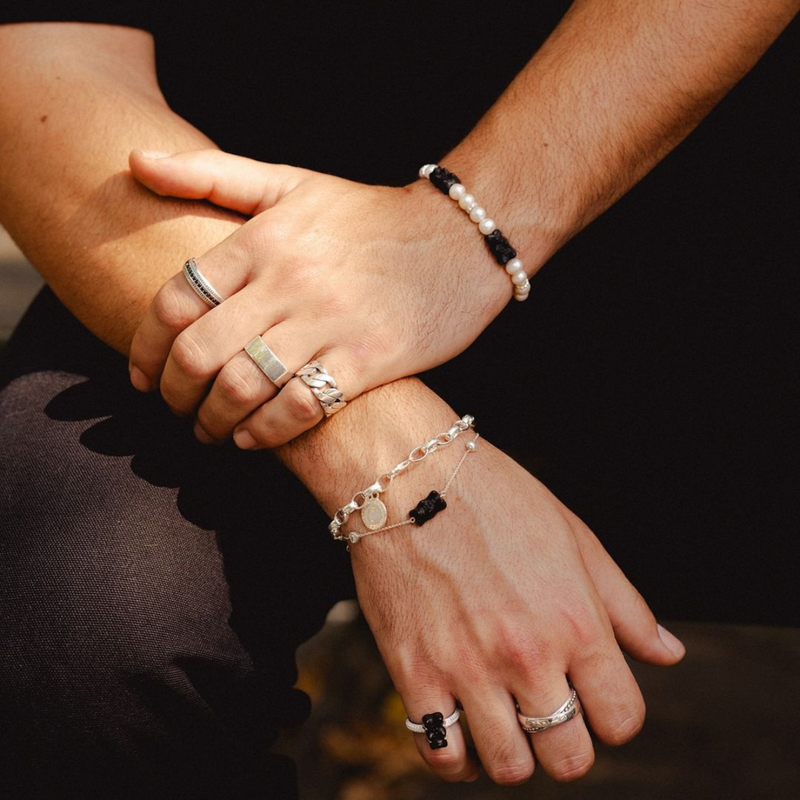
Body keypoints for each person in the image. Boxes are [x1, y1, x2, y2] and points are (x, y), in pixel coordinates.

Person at [1, 2, 797, 797]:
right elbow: (41, 67)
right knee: (70, 630)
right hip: (226, 231)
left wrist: (461, 229)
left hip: (702, 225)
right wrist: (391, 461)